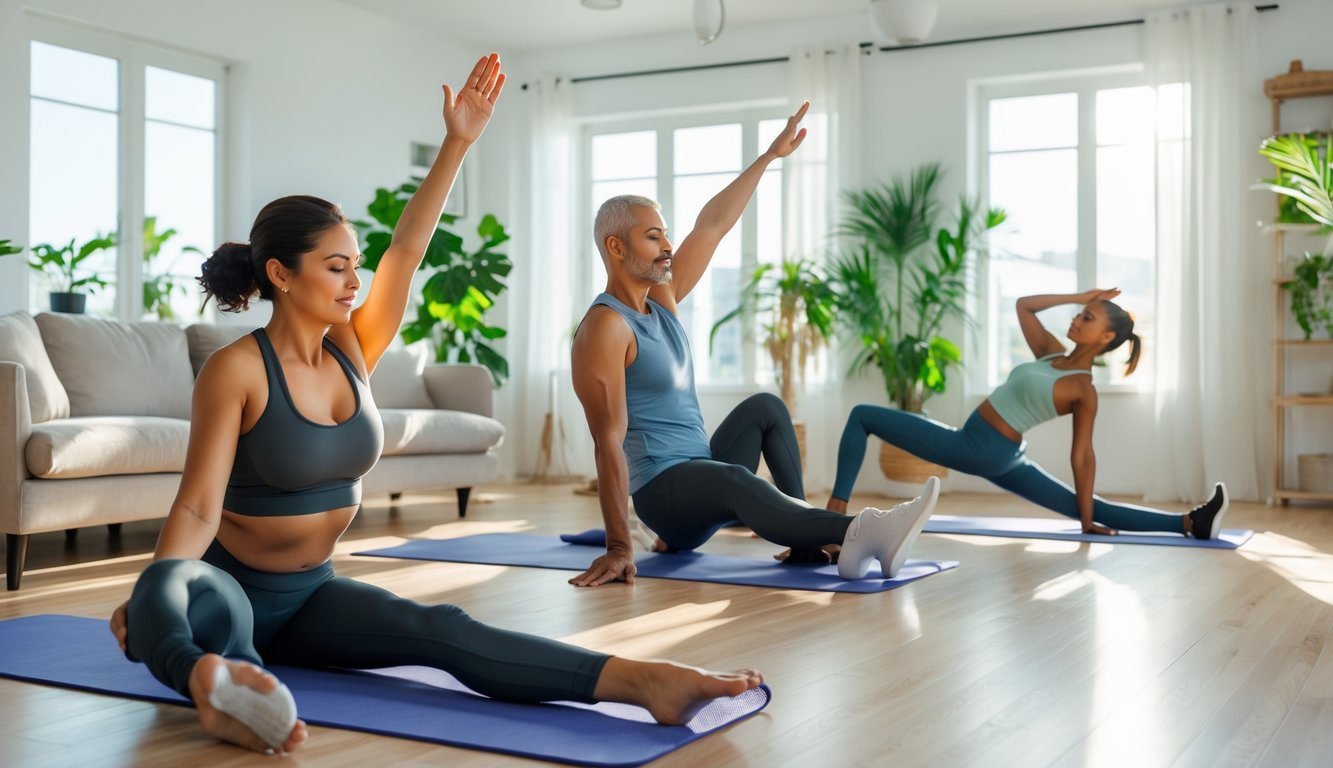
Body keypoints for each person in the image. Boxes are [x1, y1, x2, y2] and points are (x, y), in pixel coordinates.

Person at [107, 55, 763, 756]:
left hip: (314, 597)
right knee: (165, 591)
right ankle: (212, 678)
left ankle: (644, 683)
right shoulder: (236, 370)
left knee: (445, 630)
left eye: (354, 265)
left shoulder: (351, 350)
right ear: (280, 274)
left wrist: (458, 143)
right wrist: (160, 588)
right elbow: (197, 510)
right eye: (336, 268)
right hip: (228, 588)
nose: (355, 281)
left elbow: (407, 250)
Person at [570, 102, 939, 586]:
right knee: (735, 480)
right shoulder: (605, 327)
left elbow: (713, 226)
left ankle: (806, 540)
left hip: (699, 474)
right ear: (616, 247)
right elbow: (608, 443)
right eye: (653, 236)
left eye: (667, 236)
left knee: (766, 407)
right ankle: (861, 531)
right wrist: (620, 545)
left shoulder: (662, 301)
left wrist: (767, 158)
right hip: (666, 496)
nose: (667, 247)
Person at [827, 289, 1229, 538]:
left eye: (1087, 317)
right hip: (1004, 455)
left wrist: (1085, 522)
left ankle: (834, 517)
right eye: (1079, 312)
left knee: (863, 415)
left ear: (1106, 337)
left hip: (977, 447)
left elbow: (1083, 455)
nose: (1076, 317)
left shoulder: (1083, 388)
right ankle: (1191, 523)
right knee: (1087, 506)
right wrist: (1080, 295)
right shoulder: (1052, 352)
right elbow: (1024, 306)